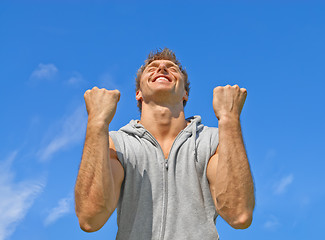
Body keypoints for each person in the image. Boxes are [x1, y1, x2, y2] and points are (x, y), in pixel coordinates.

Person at [74, 48, 255, 240]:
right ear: (138, 93)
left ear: (185, 93)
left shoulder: (213, 140)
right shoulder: (118, 144)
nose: (161, 68)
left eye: (172, 68)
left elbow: (239, 214)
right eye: (151, 68)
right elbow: (90, 218)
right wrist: (97, 122)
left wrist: (229, 118)